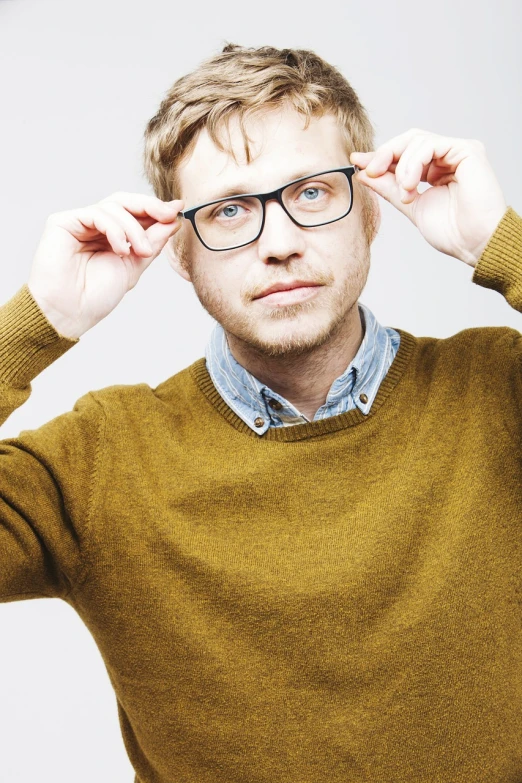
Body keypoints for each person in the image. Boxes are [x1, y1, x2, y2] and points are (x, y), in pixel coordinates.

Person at [1, 42, 520, 783]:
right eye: (229, 209)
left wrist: (501, 241)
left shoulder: (497, 388)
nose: (278, 243)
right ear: (179, 250)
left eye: (311, 192)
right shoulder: (100, 461)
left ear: (370, 207)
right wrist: (35, 322)